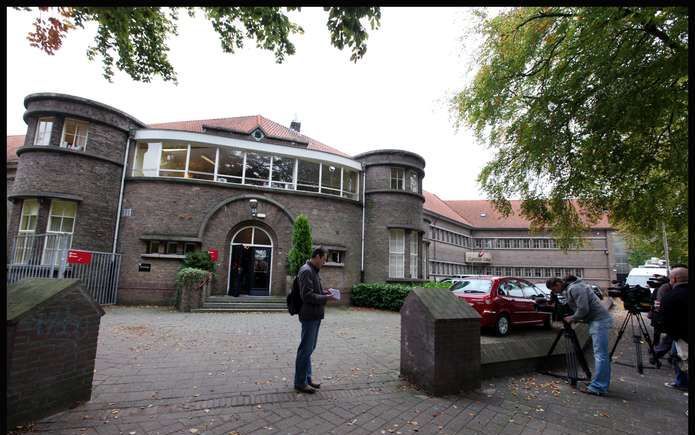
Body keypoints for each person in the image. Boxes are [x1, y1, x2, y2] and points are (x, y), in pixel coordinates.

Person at [546, 275, 613, 396]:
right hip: (597, 320)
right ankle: (599, 383)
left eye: (553, 289)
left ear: (557, 284)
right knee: (601, 354)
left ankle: (598, 387)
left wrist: (572, 318)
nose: (554, 292)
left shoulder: (575, 288)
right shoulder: (573, 288)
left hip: (599, 321)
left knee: (600, 355)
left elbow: (583, 309)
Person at [293, 247, 336, 394]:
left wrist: (325, 292)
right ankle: (300, 382)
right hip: (309, 315)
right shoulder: (306, 271)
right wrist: (326, 298)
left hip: (315, 315)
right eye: (324, 259)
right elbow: (307, 296)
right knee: (305, 349)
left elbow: (313, 292)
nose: (324, 262)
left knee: (309, 349)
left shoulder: (313, 271)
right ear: (317, 256)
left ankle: (307, 378)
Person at [660, 266, 688, 392]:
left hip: (681, 337)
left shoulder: (670, 297)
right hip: (680, 335)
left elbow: (666, 321)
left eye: (670, 278)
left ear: (675, 279)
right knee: (676, 356)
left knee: (684, 361)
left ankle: (683, 383)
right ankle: (680, 381)